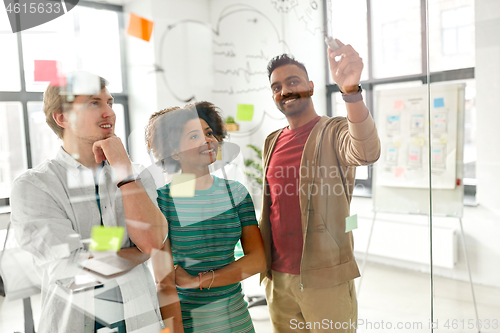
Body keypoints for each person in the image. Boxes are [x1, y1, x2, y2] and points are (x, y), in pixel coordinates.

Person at [10, 73, 182, 333]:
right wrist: (137, 254)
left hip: (139, 319)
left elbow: (152, 243)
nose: (109, 113)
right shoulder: (34, 186)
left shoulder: (135, 174)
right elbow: (69, 268)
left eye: (110, 103)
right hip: (74, 322)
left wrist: (124, 172)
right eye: (94, 103)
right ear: (62, 117)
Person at [260, 40, 381, 332]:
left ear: (311, 87)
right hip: (278, 279)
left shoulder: (334, 130)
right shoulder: (271, 141)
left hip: (325, 278)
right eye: (276, 87)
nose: (285, 91)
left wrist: (350, 92)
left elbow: (366, 152)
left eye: (292, 82)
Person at [145, 101, 266, 333]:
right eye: (194, 136)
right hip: (189, 325)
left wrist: (198, 280)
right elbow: (165, 283)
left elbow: (258, 260)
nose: (207, 140)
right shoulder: (161, 202)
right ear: (173, 151)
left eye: (209, 133)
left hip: (238, 321)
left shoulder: (236, 193)